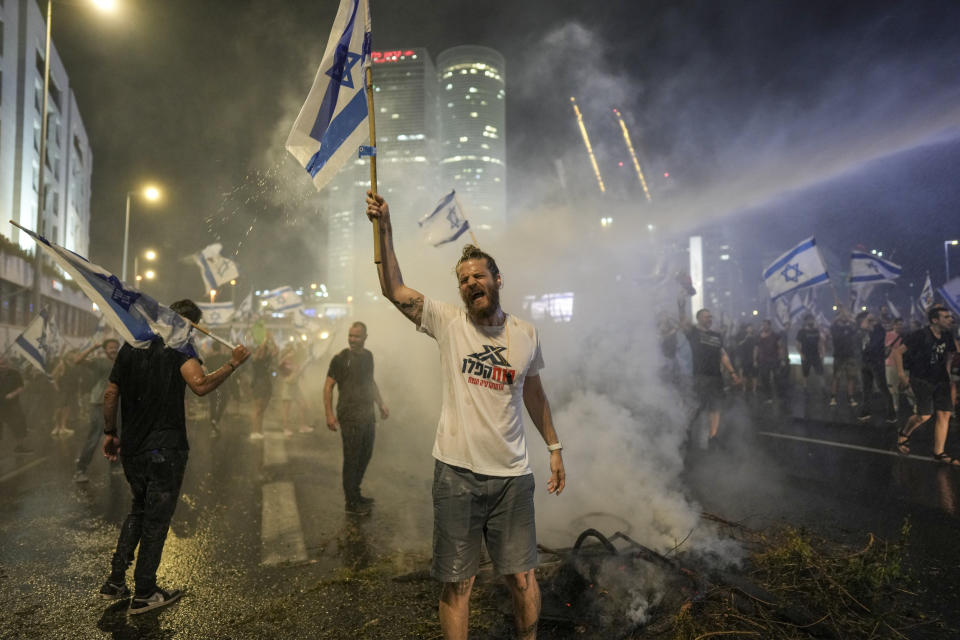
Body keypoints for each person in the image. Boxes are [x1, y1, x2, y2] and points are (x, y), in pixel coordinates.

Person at [366, 191, 565, 640]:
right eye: (463, 280)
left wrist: (554, 447)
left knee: (521, 576)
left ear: (497, 279)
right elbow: (393, 289)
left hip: (513, 477)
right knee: (459, 582)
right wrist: (385, 228)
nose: (471, 283)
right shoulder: (447, 322)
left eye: (479, 275)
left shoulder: (526, 334)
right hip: (456, 474)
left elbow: (535, 395)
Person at [99, 300, 250, 614]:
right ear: (189, 324)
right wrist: (233, 364)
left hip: (134, 448)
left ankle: (115, 581)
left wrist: (110, 433)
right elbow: (200, 384)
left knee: (138, 511)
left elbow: (111, 393)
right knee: (156, 520)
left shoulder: (131, 347)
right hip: (165, 450)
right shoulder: (180, 348)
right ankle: (145, 592)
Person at [323, 322, 388, 514]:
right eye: (350, 336)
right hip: (349, 415)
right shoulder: (340, 359)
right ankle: (351, 503)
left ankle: (356, 493)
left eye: (357, 336)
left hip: (367, 414)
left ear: (365, 337)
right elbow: (328, 387)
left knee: (365, 455)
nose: (352, 340)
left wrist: (381, 403)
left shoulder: (368, 357)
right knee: (352, 458)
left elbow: (370, 382)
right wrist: (329, 414)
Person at [894, 306, 959, 465]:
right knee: (924, 415)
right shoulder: (920, 335)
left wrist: (948, 373)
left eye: (950, 316)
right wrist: (902, 376)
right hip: (922, 379)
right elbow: (897, 353)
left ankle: (939, 452)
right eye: (945, 317)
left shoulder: (947, 335)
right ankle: (904, 432)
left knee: (944, 414)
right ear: (934, 320)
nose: (950, 319)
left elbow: (950, 354)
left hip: (941, 380)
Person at [681, 306, 741, 447]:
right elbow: (682, 321)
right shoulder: (693, 332)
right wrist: (681, 304)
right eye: (706, 316)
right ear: (699, 318)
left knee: (715, 407)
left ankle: (713, 436)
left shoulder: (716, 335)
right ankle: (687, 431)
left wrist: (733, 373)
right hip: (699, 376)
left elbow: (723, 355)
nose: (710, 319)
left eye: (710, 317)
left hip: (715, 376)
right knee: (697, 406)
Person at [73, 339, 121, 483]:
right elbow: (77, 361)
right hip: (99, 404)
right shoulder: (99, 361)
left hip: (116, 405)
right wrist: (93, 347)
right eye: (110, 347)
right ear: (105, 350)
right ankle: (80, 469)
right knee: (94, 437)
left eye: (115, 347)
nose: (113, 349)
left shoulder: (120, 362)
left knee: (115, 436)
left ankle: (114, 465)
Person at [856, 311, 896, 423]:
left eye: (870, 319)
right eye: (867, 319)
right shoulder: (862, 331)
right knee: (866, 389)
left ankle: (891, 414)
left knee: (882, 387)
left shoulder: (878, 330)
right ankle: (865, 411)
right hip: (865, 362)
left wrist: (869, 329)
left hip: (876, 363)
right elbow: (858, 343)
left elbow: (874, 346)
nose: (868, 321)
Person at [0, 354, 33, 454]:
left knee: (19, 425)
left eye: (4, 364)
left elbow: (21, 387)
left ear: (8, 364)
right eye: (1, 364)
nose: (3, 366)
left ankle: (19, 446)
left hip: (12, 404)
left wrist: (12, 394)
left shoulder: (15, 374)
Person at [249, 335, 277, 440]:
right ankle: (254, 431)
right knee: (257, 408)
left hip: (267, 383)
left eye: (265, 351)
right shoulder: (255, 359)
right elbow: (258, 353)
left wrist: (272, 340)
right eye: (262, 351)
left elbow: (276, 351)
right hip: (258, 383)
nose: (263, 352)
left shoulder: (267, 358)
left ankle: (259, 430)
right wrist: (264, 340)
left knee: (262, 409)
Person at [829, 310, 859, 407]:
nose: (843, 318)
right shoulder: (835, 328)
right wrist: (841, 314)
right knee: (836, 378)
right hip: (838, 356)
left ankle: (850, 397)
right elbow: (832, 323)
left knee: (851, 378)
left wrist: (847, 316)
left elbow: (856, 324)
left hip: (850, 356)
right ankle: (833, 397)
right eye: (841, 317)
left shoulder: (849, 328)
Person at [795, 314, 824, 393]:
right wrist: (801, 354)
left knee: (820, 371)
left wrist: (822, 353)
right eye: (809, 320)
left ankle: (822, 387)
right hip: (806, 355)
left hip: (815, 354)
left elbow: (820, 343)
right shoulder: (801, 331)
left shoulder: (816, 331)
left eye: (812, 319)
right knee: (805, 373)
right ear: (806, 321)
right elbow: (797, 344)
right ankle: (805, 387)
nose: (811, 321)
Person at [755, 320, 781, 404]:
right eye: (763, 325)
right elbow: (757, 348)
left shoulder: (775, 335)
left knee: (776, 378)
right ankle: (768, 396)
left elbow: (780, 347)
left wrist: (782, 358)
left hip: (774, 359)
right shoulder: (759, 336)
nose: (764, 326)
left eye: (766, 325)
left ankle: (777, 395)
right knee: (765, 378)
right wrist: (755, 359)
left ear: (770, 326)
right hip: (763, 360)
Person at [736, 323, 759, 393]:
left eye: (751, 328)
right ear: (746, 329)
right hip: (745, 358)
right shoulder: (742, 336)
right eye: (749, 328)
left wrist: (755, 360)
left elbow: (756, 348)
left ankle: (754, 389)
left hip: (753, 358)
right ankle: (744, 388)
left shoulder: (755, 337)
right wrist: (746, 338)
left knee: (754, 375)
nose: (750, 329)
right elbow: (739, 344)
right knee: (745, 374)